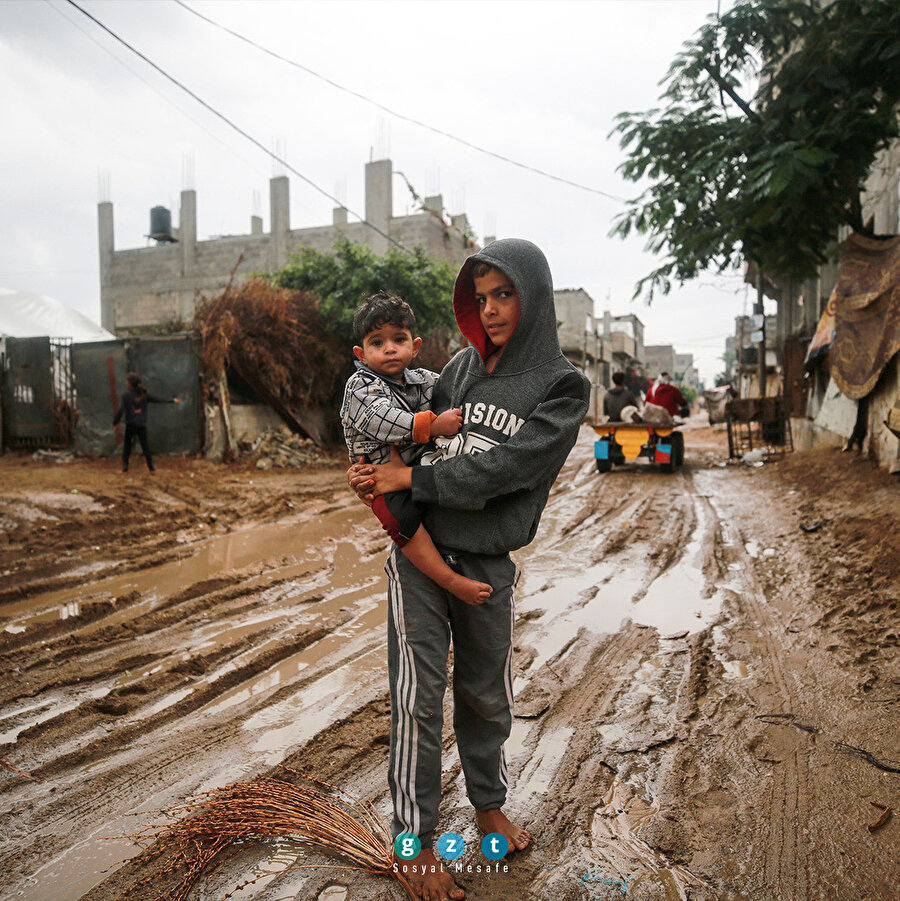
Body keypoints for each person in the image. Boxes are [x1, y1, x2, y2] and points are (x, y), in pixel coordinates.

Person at [349, 239, 590, 901]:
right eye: (480, 297)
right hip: (420, 557)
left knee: (486, 695)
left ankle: (489, 807)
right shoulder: (456, 368)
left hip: (488, 563)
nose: (489, 309)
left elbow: (511, 469)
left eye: (503, 294)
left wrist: (410, 479)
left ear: (533, 295)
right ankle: (414, 845)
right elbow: (407, 430)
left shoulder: (562, 385)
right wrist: (373, 471)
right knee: (416, 700)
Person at [341, 292, 492, 606]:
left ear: (415, 346)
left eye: (399, 339)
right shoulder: (360, 385)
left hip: (417, 470)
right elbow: (381, 420)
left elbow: (454, 389)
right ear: (361, 353)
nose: (390, 348)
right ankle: (450, 581)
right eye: (377, 342)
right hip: (380, 479)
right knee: (404, 523)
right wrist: (432, 426)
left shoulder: (423, 381)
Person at [112, 373, 180, 472]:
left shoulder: (126, 395)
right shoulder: (143, 395)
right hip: (141, 424)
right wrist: (172, 400)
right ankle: (151, 468)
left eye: (127, 381)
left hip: (130, 424)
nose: (125, 383)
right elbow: (158, 399)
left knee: (127, 447)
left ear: (130, 383)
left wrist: (115, 422)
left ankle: (125, 467)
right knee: (145, 447)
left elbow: (121, 410)